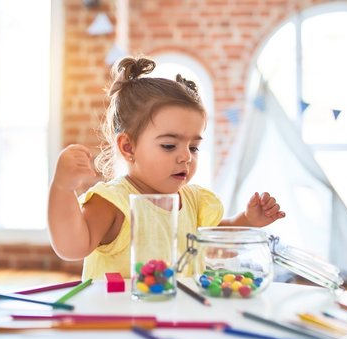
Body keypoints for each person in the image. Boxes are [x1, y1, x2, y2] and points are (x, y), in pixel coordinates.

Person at [48, 55, 285, 280]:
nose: (186, 157)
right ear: (128, 147)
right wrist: (63, 188)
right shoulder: (113, 202)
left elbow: (216, 247)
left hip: (178, 319)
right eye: (170, 145)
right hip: (118, 320)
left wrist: (247, 221)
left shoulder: (194, 202)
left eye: (193, 147)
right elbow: (72, 247)